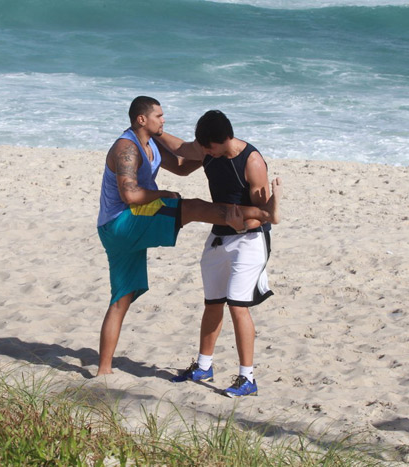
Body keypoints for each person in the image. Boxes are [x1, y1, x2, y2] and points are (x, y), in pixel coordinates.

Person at [96, 97, 281, 376]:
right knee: (192, 208)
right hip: (125, 222)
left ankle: (104, 370)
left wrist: (209, 153)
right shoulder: (128, 147)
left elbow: (182, 164)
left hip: (122, 227)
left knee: (122, 297)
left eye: (162, 115)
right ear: (141, 120)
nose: (164, 119)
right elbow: (138, 190)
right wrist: (165, 193)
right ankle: (265, 214)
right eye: (159, 115)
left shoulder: (155, 146)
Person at [157, 110, 276, 397]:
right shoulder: (207, 148)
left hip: (249, 240)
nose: (204, 153)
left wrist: (242, 223)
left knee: (237, 306)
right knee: (213, 303)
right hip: (219, 237)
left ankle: (247, 378)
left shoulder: (252, 162)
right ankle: (204, 366)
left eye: (207, 148)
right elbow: (181, 150)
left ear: (223, 140)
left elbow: (265, 214)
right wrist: (154, 132)